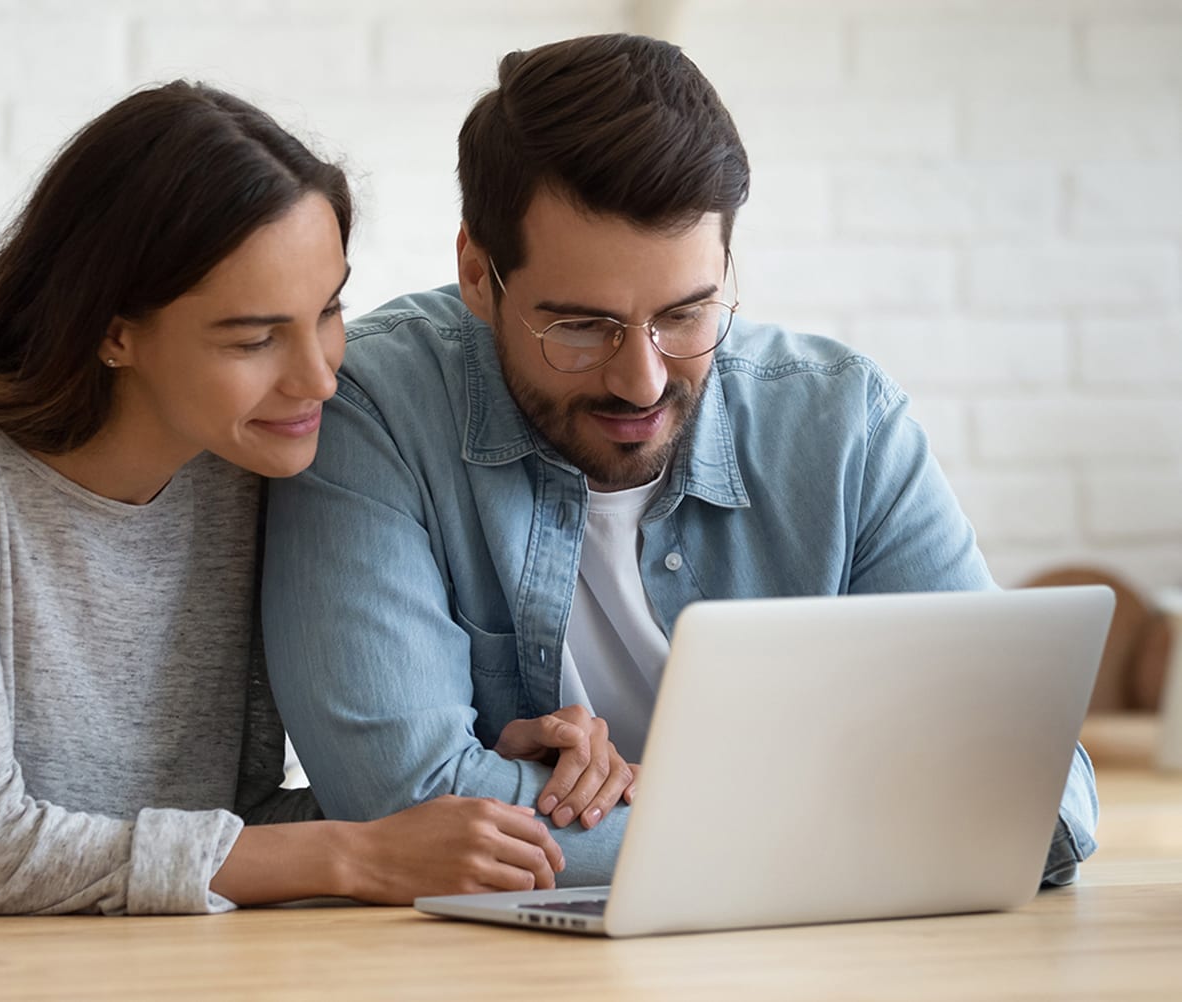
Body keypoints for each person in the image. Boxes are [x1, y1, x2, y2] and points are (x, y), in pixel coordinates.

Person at [262, 34, 1098, 887]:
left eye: (687, 314)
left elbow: (1039, 798)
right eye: (582, 327)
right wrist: (847, 824)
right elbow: (400, 802)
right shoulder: (372, 409)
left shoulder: (844, 424)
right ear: (478, 274)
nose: (641, 381)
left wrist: (660, 812)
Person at [0, 81, 566, 920]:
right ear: (113, 330)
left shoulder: (238, 461)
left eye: (328, 311)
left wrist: (472, 791)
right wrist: (354, 851)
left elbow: (224, 834)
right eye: (254, 338)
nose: (320, 377)